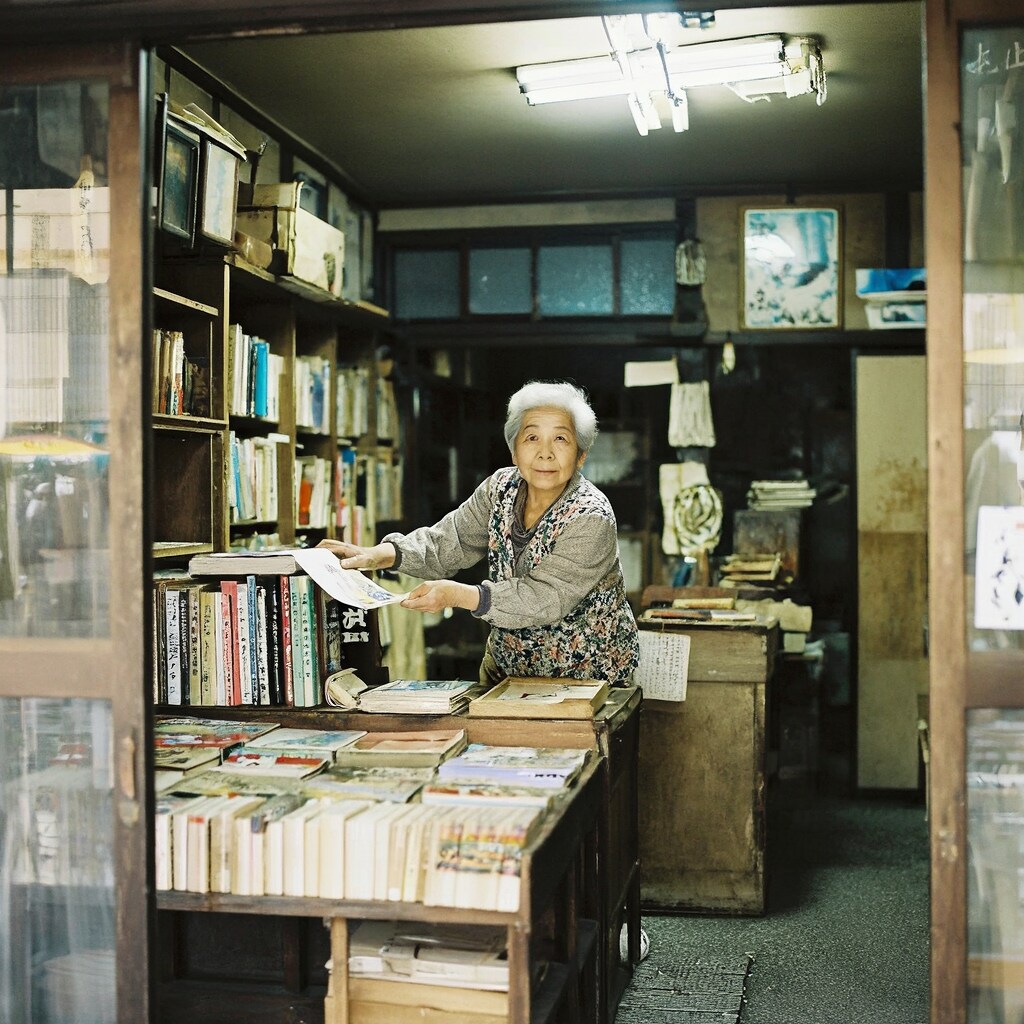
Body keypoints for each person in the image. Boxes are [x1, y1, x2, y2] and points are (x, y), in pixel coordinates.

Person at [319, 379, 640, 687]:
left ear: (581, 456)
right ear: (514, 451)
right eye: (531, 438)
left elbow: (543, 597)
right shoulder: (500, 488)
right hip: (508, 673)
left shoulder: (592, 516)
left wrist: (458, 595)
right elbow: (450, 541)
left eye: (561, 439)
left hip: (588, 680)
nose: (545, 453)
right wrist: (377, 555)